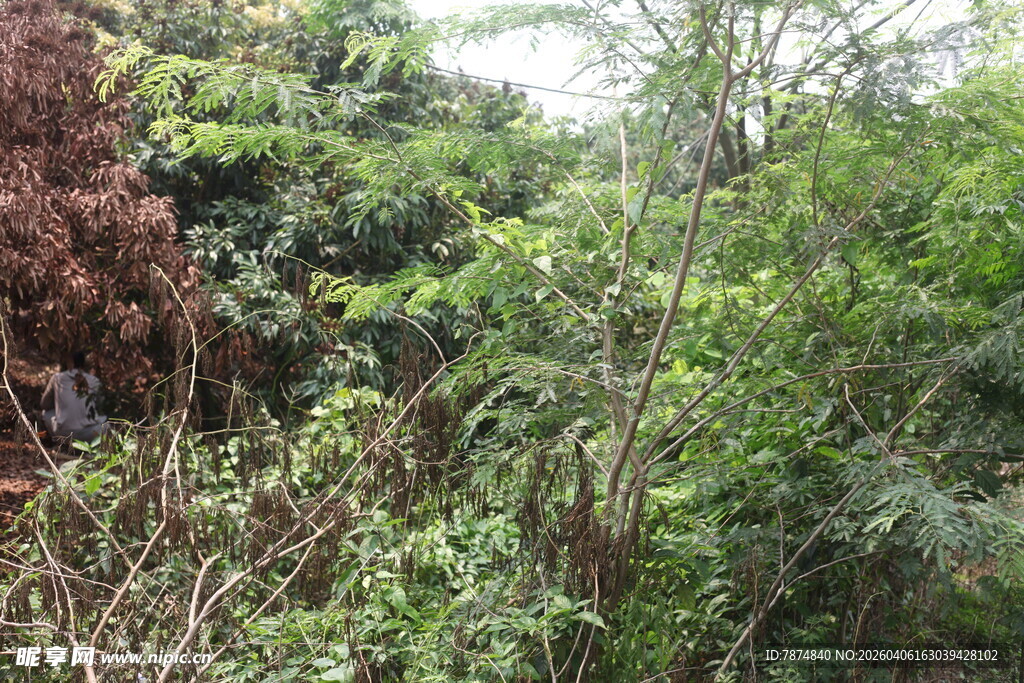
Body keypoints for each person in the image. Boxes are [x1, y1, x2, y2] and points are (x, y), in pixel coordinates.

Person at [40, 351, 108, 442]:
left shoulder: (57, 379)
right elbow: (100, 405)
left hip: (63, 433)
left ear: (69, 363)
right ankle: (95, 447)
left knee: (46, 413)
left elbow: (44, 404)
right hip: (90, 434)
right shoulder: (94, 381)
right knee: (106, 425)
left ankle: (59, 442)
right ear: (84, 364)